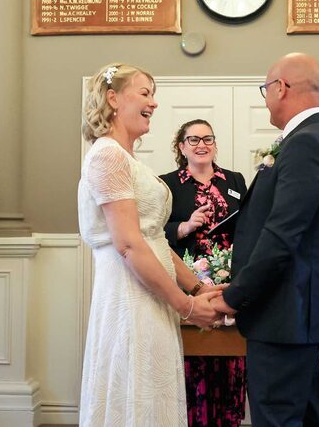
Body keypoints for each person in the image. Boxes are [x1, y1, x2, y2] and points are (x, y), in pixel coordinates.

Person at [77, 63, 222, 427]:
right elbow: (127, 245)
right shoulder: (107, 155)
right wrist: (186, 306)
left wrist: (198, 286)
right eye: (145, 93)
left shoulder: (126, 159)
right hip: (130, 297)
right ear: (113, 99)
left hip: (150, 295)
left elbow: (152, 237)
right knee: (136, 398)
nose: (154, 103)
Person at [211, 53, 319, 427]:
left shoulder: (306, 143)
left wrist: (234, 297)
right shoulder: (318, 138)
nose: (266, 98)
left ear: (281, 88)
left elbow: (282, 236)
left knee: (277, 419)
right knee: (300, 417)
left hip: (285, 315)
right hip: (294, 315)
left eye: (265, 89)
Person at [160, 119, 248, 427]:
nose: (201, 145)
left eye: (207, 138)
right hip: (188, 285)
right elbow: (151, 236)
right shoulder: (166, 184)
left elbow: (248, 225)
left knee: (231, 358)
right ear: (181, 147)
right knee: (193, 359)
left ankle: (228, 420)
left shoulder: (235, 180)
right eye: (193, 139)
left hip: (229, 284)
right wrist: (184, 227)